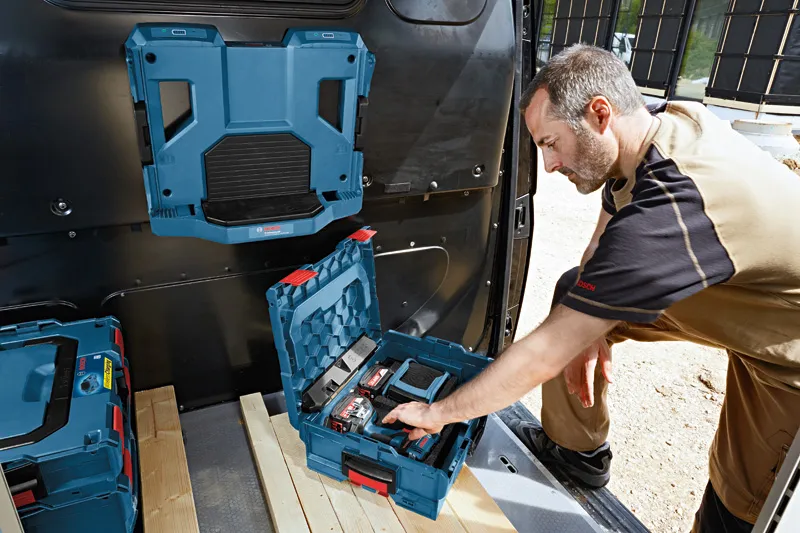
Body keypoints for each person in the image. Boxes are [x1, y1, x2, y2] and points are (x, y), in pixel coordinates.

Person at [383, 44, 800, 532]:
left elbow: (543, 354)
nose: (550, 164)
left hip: (783, 350)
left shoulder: (673, 210)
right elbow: (597, 251)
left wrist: (440, 413)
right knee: (572, 295)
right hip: (734, 283)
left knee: (738, 503)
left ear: (600, 113)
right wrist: (593, 325)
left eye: (550, 143)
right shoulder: (651, 127)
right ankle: (579, 453)